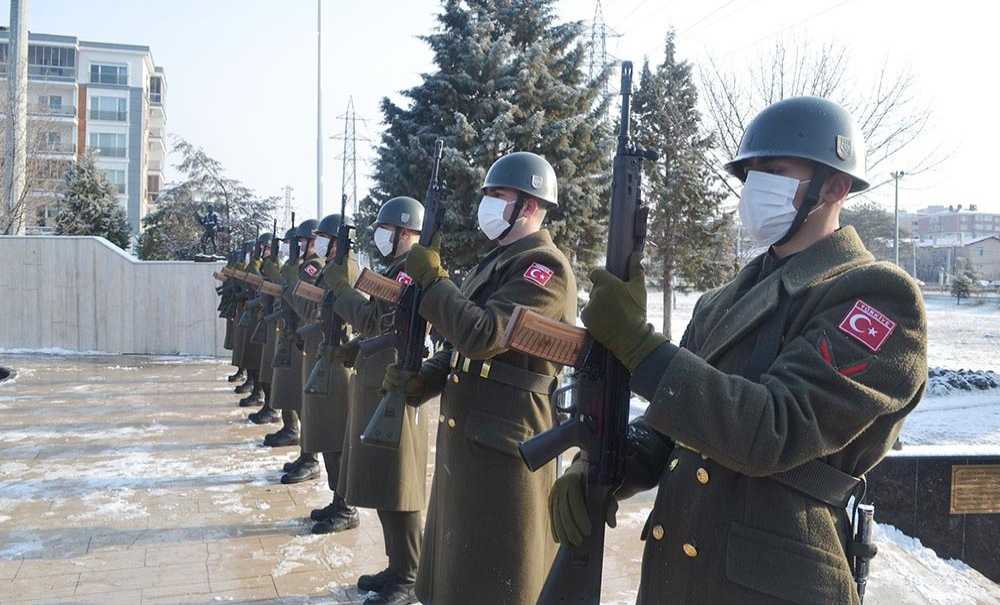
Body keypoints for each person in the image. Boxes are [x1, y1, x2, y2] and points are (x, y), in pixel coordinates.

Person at [549, 96, 929, 604]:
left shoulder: (876, 297)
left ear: (835, 185)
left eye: (774, 170)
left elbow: (771, 428)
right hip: (676, 577)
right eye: (750, 174)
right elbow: (671, 429)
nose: (755, 188)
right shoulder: (722, 300)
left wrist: (637, 343)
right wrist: (607, 461)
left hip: (773, 583)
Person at [385, 153, 577, 605]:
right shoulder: (499, 260)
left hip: (508, 444)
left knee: (497, 572)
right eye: (487, 195)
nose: (486, 204)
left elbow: (483, 334)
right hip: (472, 434)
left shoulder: (544, 268)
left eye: (497, 196)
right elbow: (458, 348)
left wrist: (434, 283)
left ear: (528, 206)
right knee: (460, 568)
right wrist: (425, 380)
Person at [325, 196, 429, 605]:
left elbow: (374, 319)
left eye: (387, 230)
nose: (381, 236)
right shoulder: (394, 270)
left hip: (396, 383)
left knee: (399, 483)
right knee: (385, 480)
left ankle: (410, 574)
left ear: (405, 232)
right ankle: (397, 566)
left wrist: (341, 291)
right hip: (377, 378)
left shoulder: (409, 274)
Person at [297, 213, 361, 533]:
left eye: (325, 237)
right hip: (326, 356)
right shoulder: (329, 269)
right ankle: (338, 499)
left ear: (337, 242)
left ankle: (346, 506)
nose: (319, 242)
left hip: (338, 361)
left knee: (336, 437)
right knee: (326, 433)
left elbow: (351, 310)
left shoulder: (345, 269)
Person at [264, 224, 308, 449]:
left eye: (299, 242)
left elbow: (301, 301)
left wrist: (285, 277)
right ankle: (290, 428)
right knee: (285, 387)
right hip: (288, 331)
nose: (295, 247)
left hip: (300, 337)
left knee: (298, 394)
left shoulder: (311, 269)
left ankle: (306, 450)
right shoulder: (295, 267)